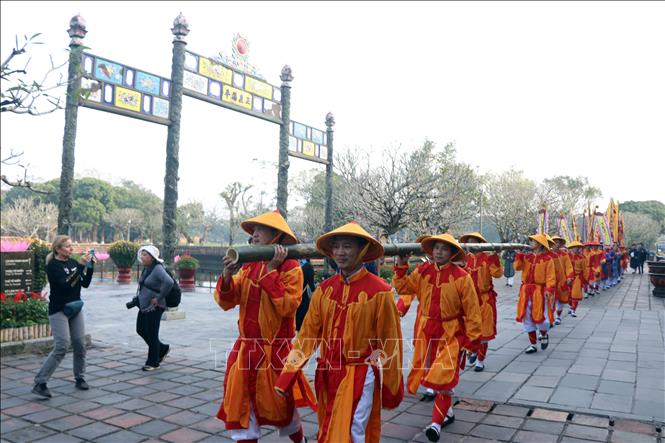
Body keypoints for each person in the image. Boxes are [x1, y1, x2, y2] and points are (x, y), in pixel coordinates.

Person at [275, 222, 404, 443]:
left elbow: (391, 342)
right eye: (336, 246)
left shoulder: (380, 292)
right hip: (327, 374)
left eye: (347, 246)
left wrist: (392, 387)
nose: (340, 252)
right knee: (329, 427)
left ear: (361, 250)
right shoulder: (325, 290)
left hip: (360, 374)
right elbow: (307, 336)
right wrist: (289, 373)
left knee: (351, 431)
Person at [215, 210, 315, 443]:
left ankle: (300, 440)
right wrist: (227, 275)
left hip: (275, 351)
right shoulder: (248, 264)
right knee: (242, 406)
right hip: (246, 349)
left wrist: (271, 271)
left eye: (260, 229)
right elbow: (227, 301)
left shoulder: (291, 267)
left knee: (282, 406)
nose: (255, 234)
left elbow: (288, 306)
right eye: (254, 230)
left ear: (276, 235)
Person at [392, 233, 481, 442]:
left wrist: (472, 340)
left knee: (444, 378)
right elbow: (404, 288)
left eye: (444, 248)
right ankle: (446, 413)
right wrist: (401, 265)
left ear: (452, 253)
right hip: (426, 331)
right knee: (432, 374)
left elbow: (472, 311)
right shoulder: (422, 271)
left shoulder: (462, 277)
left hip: (451, 333)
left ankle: (435, 424)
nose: (439, 252)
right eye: (436, 248)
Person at [33, 235, 95, 398]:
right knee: (62, 345)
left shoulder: (73, 263)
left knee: (80, 344)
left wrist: (90, 266)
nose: (71, 248)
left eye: (71, 245)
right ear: (58, 249)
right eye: (67, 246)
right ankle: (40, 382)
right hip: (59, 309)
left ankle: (80, 377)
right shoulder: (53, 266)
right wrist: (80, 266)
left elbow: (85, 283)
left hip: (75, 308)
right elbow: (65, 285)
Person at [458, 232, 502, 372]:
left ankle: (480, 361)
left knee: (484, 331)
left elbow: (497, 274)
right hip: (469, 301)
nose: (471, 244)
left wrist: (495, 257)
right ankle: (473, 350)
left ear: (480, 243)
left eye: (473, 241)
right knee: (468, 328)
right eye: (469, 241)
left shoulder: (487, 257)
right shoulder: (465, 258)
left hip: (485, 300)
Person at [514, 234, 555, 354]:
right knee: (526, 317)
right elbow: (517, 267)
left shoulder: (548, 259)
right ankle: (533, 344)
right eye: (531, 241)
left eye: (534, 241)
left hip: (540, 291)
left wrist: (549, 289)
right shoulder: (527, 257)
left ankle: (544, 334)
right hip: (526, 291)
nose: (531, 243)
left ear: (540, 244)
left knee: (541, 316)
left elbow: (551, 276)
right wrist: (519, 255)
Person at [135, 245, 173, 371]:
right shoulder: (147, 268)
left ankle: (153, 362)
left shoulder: (157, 268)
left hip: (155, 306)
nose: (142, 257)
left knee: (152, 333)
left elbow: (169, 282)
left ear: (152, 257)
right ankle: (161, 349)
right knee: (140, 329)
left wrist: (158, 297)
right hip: (144, 305)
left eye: (145, 255)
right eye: (142, 254)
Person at [551, 236, 573, 326]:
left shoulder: (564, 255)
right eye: (554, 242)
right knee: (550, 300)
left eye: (558, 242)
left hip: (561, 280)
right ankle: (550, 317)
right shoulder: (547, 254)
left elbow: (569, 267)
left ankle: (558, 317)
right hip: (550, 281)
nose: (556, 244)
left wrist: (569, 277)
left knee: (560, 300)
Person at [566, 241, 588, 317]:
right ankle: (571, 306)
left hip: (577, 278)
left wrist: (586, 279)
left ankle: (573, 310)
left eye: (578, 247)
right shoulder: (567, 256)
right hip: (568, 278)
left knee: (575, 294)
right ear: (571, 248)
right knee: (568, 294)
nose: (577, 249)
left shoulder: (582, 258)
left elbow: (585, 269)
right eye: (575, 247)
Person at [296, 258, 315, 331]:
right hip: (304, 295)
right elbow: (311, 284)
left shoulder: (294, 265)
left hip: (294, 295)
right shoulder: (308, 266)